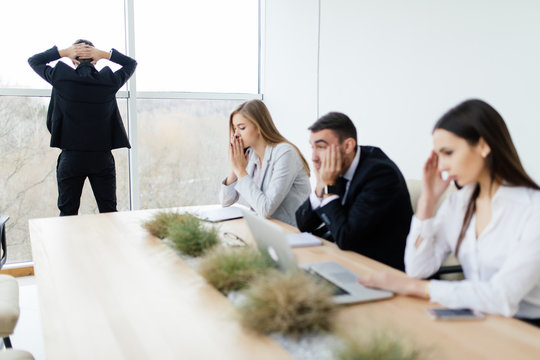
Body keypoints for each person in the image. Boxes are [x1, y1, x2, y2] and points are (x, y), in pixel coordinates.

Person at [358, 99, 540, 324]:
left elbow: (502, 296)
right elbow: (417, 268)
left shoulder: (533, 209)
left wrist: (419, 288)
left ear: (484, 146)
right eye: (438, 155)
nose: (442, 166)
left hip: (528, 329)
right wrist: (428, 201)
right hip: (482, 320)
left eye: (449, 153)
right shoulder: (459, 203)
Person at [28, 40, 137, 216]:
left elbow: (34, 61)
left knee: (67, 213)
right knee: (109, 212)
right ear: (95, 60)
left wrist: (63, 52)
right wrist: (104, 54)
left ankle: (68, 245)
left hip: (71, 157)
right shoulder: (108, 80)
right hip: (101, 158)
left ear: (73, 60)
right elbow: (131, 64)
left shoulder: (61, 78)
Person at [295, 112, 412, 270]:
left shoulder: (380, 174)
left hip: (380, 268)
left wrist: (328, 187)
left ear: (348, 146)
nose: (314, 157)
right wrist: (320, 186)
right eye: (312, 147)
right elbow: (302, 223)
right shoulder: (340, 167)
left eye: (321, 147)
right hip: (347, 259)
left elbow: (346, 238)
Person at [219, 100, 311, 227]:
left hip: (292, 232)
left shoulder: (285, 153)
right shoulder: (250, 154)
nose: (236, 135)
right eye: (235, 129)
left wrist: (240, 171)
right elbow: (225, 201)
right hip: (266, 229)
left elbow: (266, 209)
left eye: (242, 128)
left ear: (258, 127)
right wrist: (235, 165)